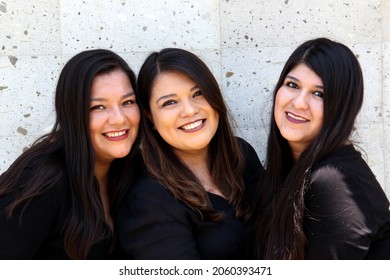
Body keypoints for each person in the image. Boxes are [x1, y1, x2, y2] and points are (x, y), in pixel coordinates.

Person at [118, 48, 263, 259]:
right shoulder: (148, 199)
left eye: (198, 93)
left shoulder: (241, 155)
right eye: (169, 102)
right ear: (149, 116)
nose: (189, 110)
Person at [255, 37, 390, 259]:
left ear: (341, 108)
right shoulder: (293, 170)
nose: (299, 103)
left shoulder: (332, 182)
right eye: (292, 85)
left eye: (319, 94)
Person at [0, 49, 141, 259]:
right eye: (98, 107)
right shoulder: (40, 181)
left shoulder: (133, 170)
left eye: (127, 102)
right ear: (73, 113)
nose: (119, 119)